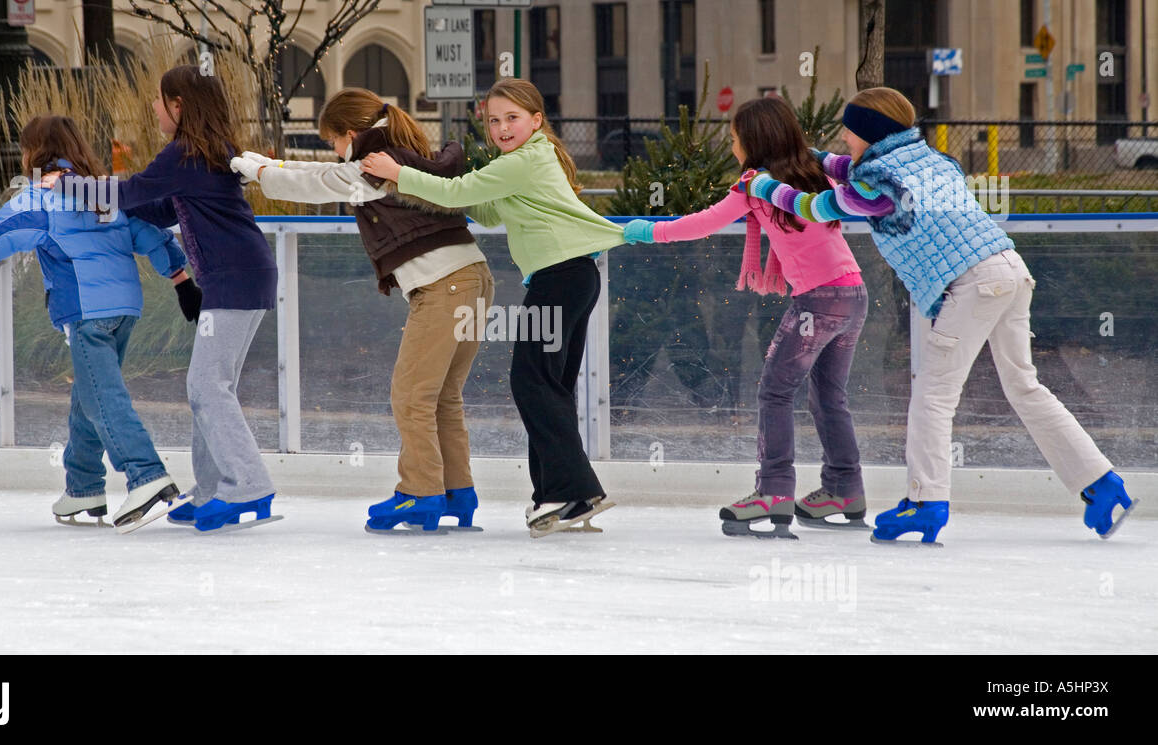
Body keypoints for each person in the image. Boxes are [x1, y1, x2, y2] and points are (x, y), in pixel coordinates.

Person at [740, 86, 1138, 545]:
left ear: (869, 133)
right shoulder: (929, 160)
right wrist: (798, 151)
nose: (845, 140)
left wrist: (765, 185)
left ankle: (925, 503)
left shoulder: (879, 185)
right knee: (1026, 387)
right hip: (1009, 270)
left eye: (850, 132)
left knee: (932, 396)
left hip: (972, 285)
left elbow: (817, 206)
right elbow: (845, 167)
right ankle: (1104, 484)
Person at [360, 78, 625, 538]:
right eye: (494, 120)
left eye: (512, 118)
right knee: (548, 386)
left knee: (533, 381)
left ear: (536, 121)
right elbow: (484, 210)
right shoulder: (520, 163)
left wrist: (398, 171)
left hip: (560, 279)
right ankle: (567, 493)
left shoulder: (526, 159)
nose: (502, 127)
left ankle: (566, 492)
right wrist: (444, 196)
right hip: (572, 278)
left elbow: (460, 193)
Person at [231, 88, 493, 533]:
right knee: (440, 399)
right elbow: (324, 172)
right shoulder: (401, 154)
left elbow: (316, 184)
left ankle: (420, 494)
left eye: (334, 141)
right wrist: (268, 166)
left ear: (351, 134)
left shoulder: (374, 169)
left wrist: (259, 172)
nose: (334, 151)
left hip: (445, 286)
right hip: (473, 278)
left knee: (411, 397)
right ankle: (456, 493)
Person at [625, 96, 883, 540]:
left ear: (753, 141)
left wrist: (645, 231)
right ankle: (844, 487)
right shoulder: (813, 172)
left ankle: (774, 491)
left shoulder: (756, 186)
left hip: (818, 301)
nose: (731, 146)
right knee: (829, 396)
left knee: (775, 393)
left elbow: (701, 224)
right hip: (853, 294)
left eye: (733, 138)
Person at [0, 114, 194, 531]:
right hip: (124, 308)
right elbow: (147, 233)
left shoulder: (42, 194)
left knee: (102, 398)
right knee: (90, 395)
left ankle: (146, 475)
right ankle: (83, 487)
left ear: (34, 151)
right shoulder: (99, 189)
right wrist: (179, 277)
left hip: (86, 310)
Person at [112, 65, 280, 533]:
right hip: (244, 276)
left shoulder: (184, 152)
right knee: (210, 385)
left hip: (234, 280)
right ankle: (211, 489)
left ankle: (246, 485)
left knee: (206, 387)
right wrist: (111, 202)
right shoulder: (203, 154)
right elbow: (161, 206)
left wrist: (72, 188)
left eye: (159, 99)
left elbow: (132, 191)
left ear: (178, 105)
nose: (153, 107)